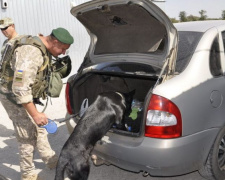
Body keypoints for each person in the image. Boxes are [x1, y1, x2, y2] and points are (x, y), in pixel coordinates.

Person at [0, 17, 74, 180]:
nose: (63, 53)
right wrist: (35, 114)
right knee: (27, 135)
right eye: (62, 49)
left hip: (21, 93)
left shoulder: (41, 42)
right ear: (54, 41)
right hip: (12, 96)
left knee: (39, 127)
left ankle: (50, 159)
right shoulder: (31, 53)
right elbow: (20, 88)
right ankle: (28, 175)